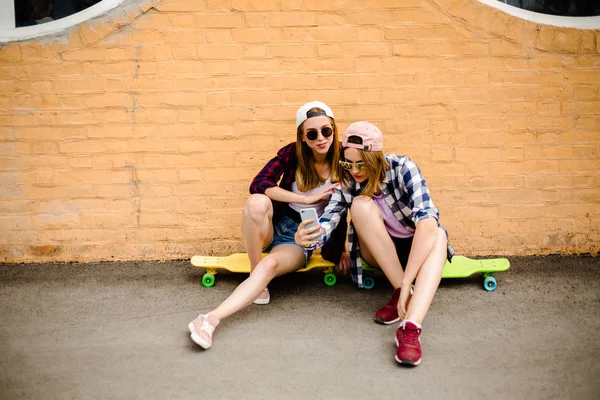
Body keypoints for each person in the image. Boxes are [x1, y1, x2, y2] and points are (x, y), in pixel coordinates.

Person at [188, 101, 349, 349]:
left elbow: (355, 201)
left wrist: (343, 249)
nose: (320, 138)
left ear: (334, 130)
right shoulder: (292, 154)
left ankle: (210, 319)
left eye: (326, 131)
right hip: (274, 223)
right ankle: (256, 272)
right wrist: (305, 198)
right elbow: (259, 183)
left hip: (300, 236)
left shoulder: (345, 158)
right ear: (302, 137)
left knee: (272, 264)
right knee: (256, 202)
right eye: (312, 133)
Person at [295, 121, 453, 366]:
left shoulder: (403, 168)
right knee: (360, 204)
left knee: (438, 234)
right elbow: (330, 217)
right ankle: (402, 293)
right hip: (379, 252)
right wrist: (309, 237)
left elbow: (426, 223)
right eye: (348, 163)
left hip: (416, 250)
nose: (355, 170)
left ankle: (410, 328)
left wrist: (407, 280)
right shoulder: (349, 180)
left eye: (361, 163)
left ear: (375, 157)